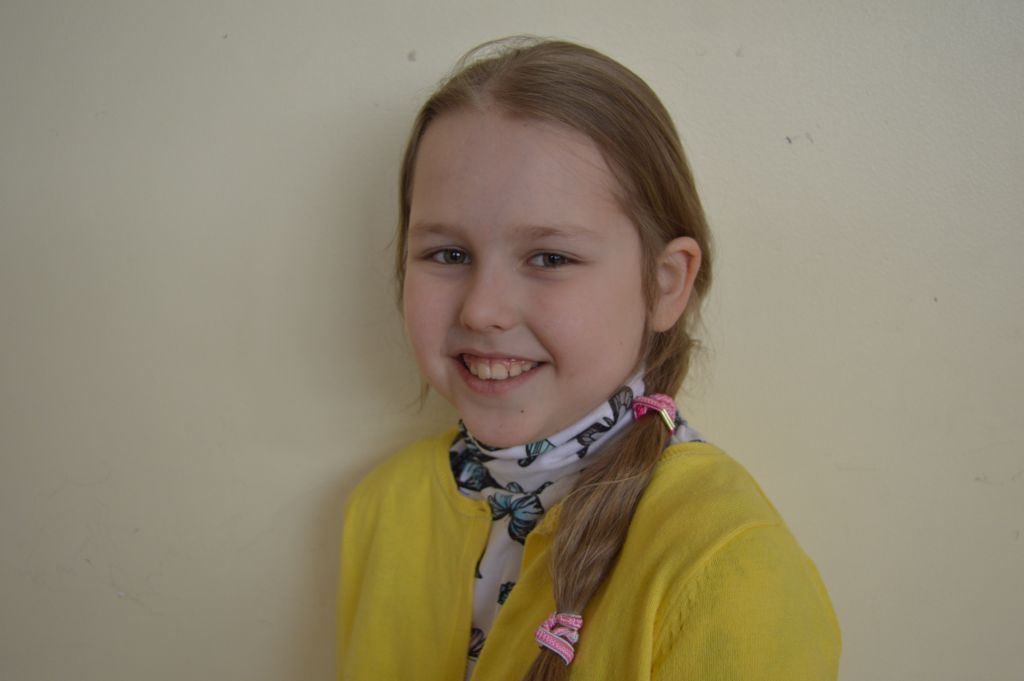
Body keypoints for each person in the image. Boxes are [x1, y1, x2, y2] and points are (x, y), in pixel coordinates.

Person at [337, 37, 840, 681]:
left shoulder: (725, 566)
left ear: (664, 284)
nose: (482, 311)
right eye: (449, 254)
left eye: (550, 258)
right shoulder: (384, 505)